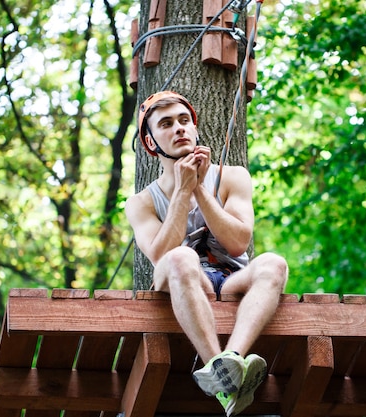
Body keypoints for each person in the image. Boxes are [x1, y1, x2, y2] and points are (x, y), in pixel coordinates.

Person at [125, 91, 288, 416]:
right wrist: (184, 191)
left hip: (229, 280)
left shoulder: (233, 176)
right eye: (167, 124)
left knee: (274, 263)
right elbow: (161, 255)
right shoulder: (141, 202)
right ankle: (220, 368)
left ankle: (230, 361)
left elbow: (238, 242)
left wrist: (199, 186)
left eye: (184, 121)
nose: (179, 129)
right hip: (182, 278)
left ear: (195, 129)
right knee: (181, 257)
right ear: (150, 141)